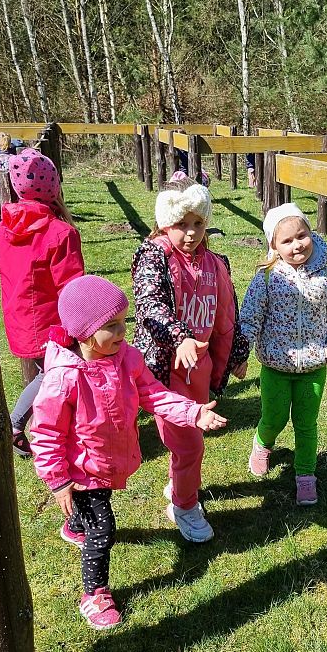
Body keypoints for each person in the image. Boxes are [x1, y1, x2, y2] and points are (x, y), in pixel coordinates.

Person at [30, 276, 227, 630]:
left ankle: (75, 524)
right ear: (84, 334)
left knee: (92, 513)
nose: (123, 331)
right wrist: (59, 481)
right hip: (81, 469)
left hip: (107, 460)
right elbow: (45, 433)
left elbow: (154, 394)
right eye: (111, 326)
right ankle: (94, 593)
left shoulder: (127, 359)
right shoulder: (64, 377)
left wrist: (193, 412)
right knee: (103, 530)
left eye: (123, 321)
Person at [132, 180, 248, 542]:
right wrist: (179, 337)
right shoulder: (154, 257)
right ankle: (183, 505)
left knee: (188, 439)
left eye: (198, 223)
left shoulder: (215, 263)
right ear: (165, 222)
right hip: (166, 372)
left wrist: (236, 354)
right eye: (182, 224)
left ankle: (177, 483)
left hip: (200, 370)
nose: (192, 233)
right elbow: (150, 304)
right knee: (189, 444)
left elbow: (227, 312)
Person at [239, 203, 327, 506]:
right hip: (276, 367)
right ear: (274, 245)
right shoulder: (267, 278)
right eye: (287, 241)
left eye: (301, 236)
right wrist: (241, 352)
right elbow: (250, 317)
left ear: (311, 234)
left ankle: (305, 475)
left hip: (313, 369)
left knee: (306, 424)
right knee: (273, 418)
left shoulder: (326, 277)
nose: (297, 245)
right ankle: (263, 443)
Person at [0, 149, 84, 456]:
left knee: (50, 373)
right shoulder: (61, 233)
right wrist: (81, 326)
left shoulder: (6, 228)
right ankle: (16, 424)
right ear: (55, 186)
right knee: (55, 373)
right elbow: (72, 287)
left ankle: (52, 428)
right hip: (53, 324)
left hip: (19, 321)